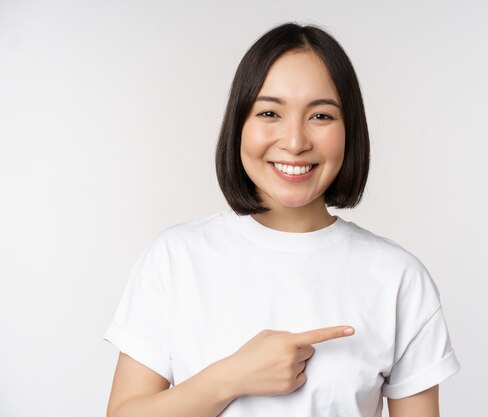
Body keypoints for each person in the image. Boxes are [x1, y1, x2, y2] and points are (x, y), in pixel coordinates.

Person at [103, 22, 461, 417]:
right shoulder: (175, 259)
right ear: (239, 124)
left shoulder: (398, 279)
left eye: (321, 116)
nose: (294, 142)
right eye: (270, 112)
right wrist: (232, 376)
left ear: (350, 130)